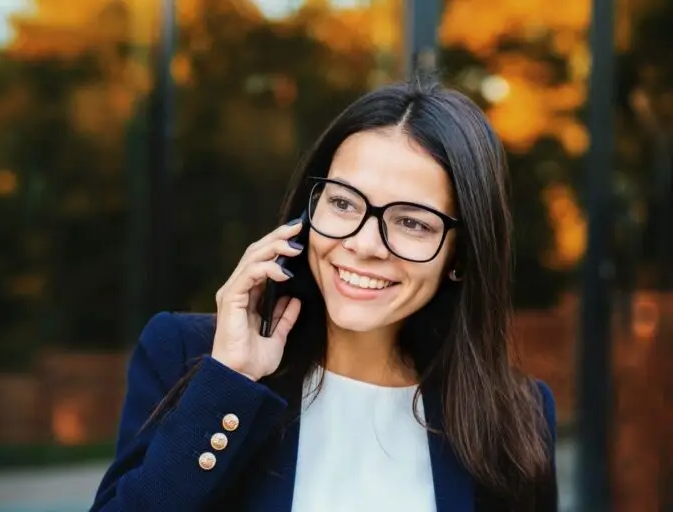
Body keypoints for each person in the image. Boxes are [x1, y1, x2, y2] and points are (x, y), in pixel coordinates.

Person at [90, 76, 557, 511]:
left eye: (412, 222)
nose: (362, 244)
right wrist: (229, 381)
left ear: (461, 255)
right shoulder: (189, 356)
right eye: (342, 202)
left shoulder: (516, 415)